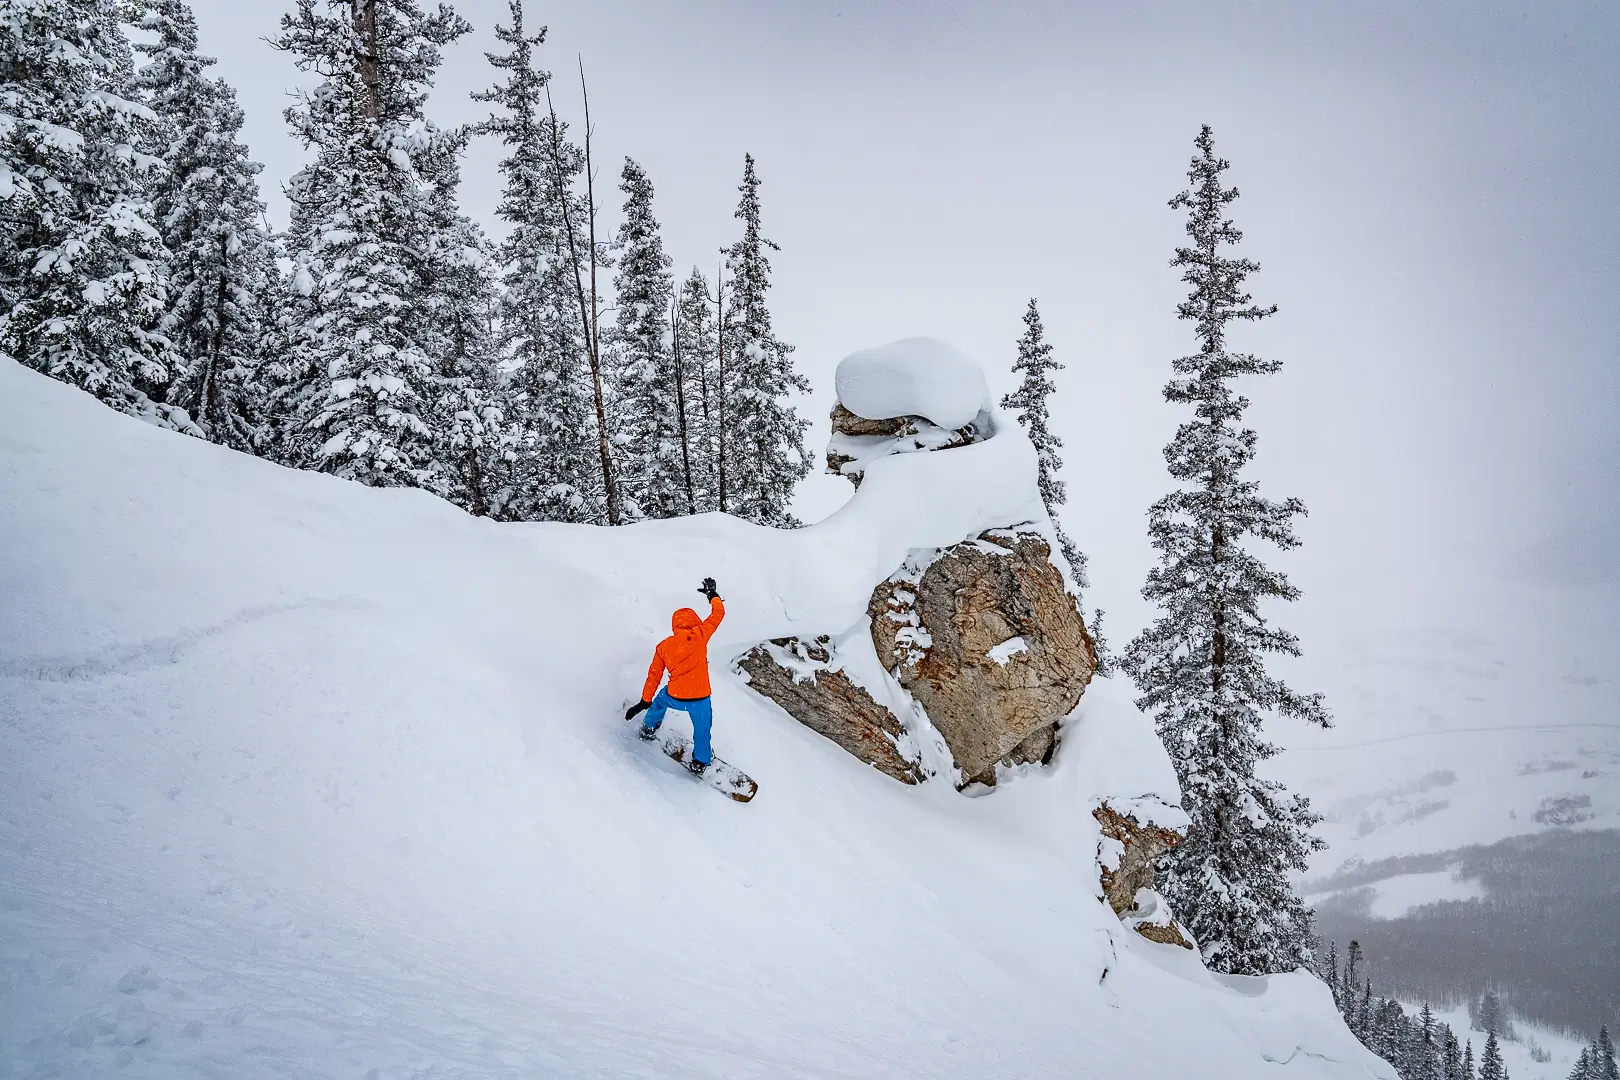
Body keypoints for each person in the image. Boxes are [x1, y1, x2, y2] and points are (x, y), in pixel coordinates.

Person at [626, 577, 724, 774]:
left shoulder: (664, 646)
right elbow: (719, 613)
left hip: (675, 696)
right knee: (702, 729)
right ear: (694, 621)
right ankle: (700, 761)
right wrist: (712, 595)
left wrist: (644, 701)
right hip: (700, 699)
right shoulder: (700, 635)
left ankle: (649, 728)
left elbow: (653, 675)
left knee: (659, 702)